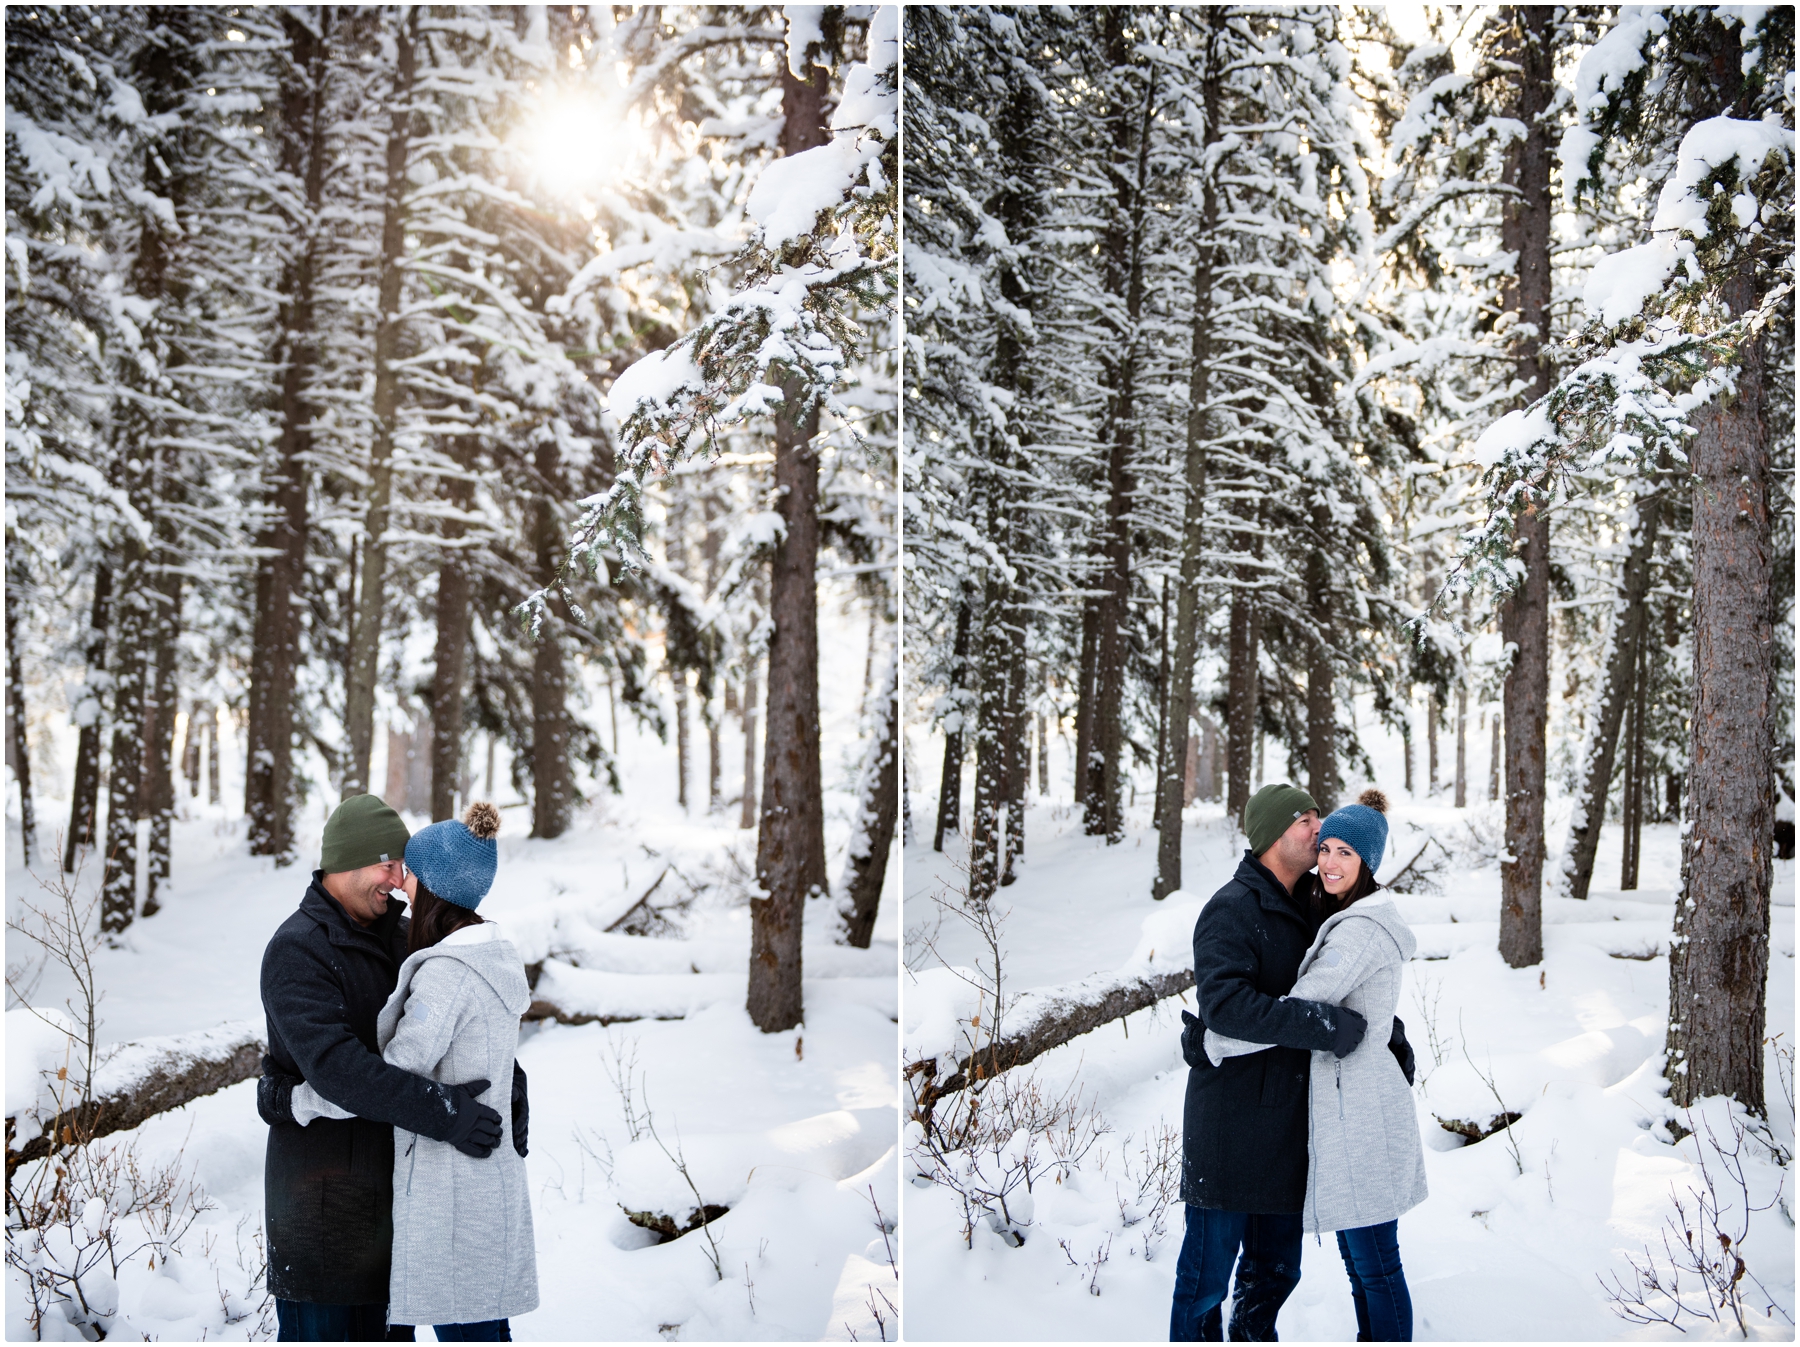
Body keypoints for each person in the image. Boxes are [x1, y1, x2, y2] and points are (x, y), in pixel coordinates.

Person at [258, 794, 507, 1342]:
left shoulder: (404, 936)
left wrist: (508, 1090)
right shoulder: (296, 950)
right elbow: (338, 1071)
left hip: (397, 1214)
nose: (399, 880)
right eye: (388, 864)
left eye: (405, 867)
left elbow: (464, 1019)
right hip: (324, 1215)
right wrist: (446, 1114)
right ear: (346, 862)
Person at [1206, 790, 1426, 1342]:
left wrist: (1213, 1041)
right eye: (1324, 846)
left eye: (1345, 853)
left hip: (1361, 1114)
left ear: (1368, 863)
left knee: (1376, 1267)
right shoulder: (1341, 915)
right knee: (1364, 1267)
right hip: (1350, 1106)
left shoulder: (1356, 931)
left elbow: (1300, 1010)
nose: (1328, 861)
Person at [1172, 782, 1371, 1342]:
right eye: (1306, 819)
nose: (1319, 828)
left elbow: (1342, 985)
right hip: (1229, 1131)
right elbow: (1226, 1006)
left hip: (1289, 1129)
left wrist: (1386, 1035)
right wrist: (1323, 1028)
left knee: (1274, 1275)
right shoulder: (1230, 909)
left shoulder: (1316, 903)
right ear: (1270, 835)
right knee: (1204, 1284)